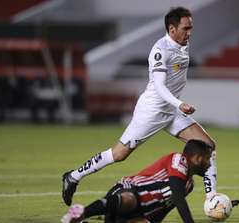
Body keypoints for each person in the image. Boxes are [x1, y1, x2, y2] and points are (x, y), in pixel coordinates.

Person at [62, 6, 217, 206]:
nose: (190, 32)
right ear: (172, 29)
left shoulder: (182, 43)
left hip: (171, 111)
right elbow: (159, 86)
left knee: (208, 146)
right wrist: (180, 104)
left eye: (191, 28)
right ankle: (73, 176)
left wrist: (176, 107)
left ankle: (212, 199)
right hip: (151, 111)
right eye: (186, 28)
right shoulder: (160, 50)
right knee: (119, 154)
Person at [61, 140, 239, 223]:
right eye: (208, 159)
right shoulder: (179, 160)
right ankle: (81, 213)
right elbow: (176, 194)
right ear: (197, 158)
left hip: (139, 214)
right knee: (130, 200)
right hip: (127, 190)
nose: (209, 164)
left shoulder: (189, 185)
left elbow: (162, 209)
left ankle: (99, 216)